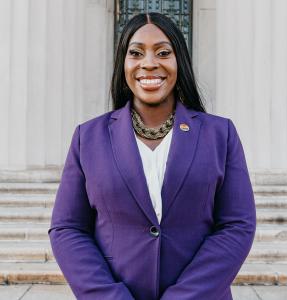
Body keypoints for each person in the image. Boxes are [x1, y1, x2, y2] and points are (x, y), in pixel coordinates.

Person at [48, 12, 256, 300]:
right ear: (123, 63)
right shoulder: (88, 137)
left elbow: (237, 225)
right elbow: (67, 229)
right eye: (136, 53)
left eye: (162, 52)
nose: (149, 63)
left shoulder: (220, 134)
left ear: (178, 62)